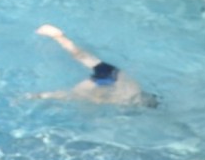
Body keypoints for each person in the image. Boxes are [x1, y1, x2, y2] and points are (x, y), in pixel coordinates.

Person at [27, 24, 156, 106]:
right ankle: (34, 96)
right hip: (106, 83)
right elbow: (102, 100)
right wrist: (97, 100)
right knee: (71, 95)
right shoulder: (128, 101)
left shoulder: (136, 87)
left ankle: (59, 37)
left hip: (111, 72)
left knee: (80, 55)